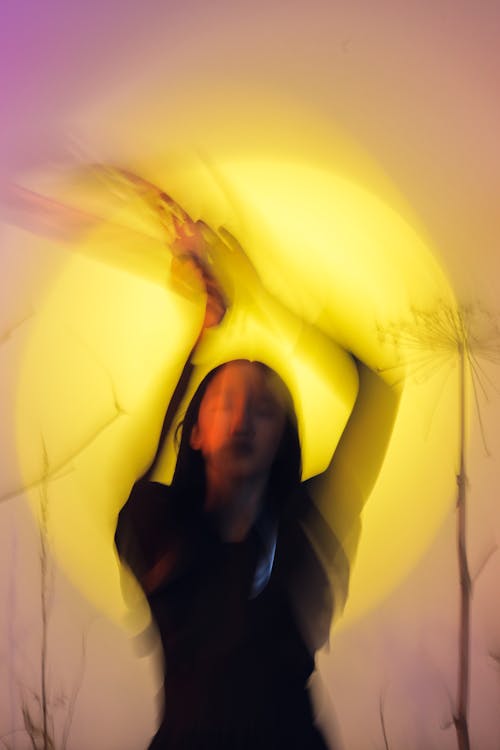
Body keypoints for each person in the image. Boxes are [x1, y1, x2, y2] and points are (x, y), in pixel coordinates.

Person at [114, 190, 348, 749]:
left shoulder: (300, 529)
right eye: (224, 404)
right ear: (194, 431)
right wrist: (202, 331)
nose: (243, 418)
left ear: (282, 438)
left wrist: (267, 295)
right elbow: (144, 471)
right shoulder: (164, 535)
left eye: (264, 409)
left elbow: (374, 386)